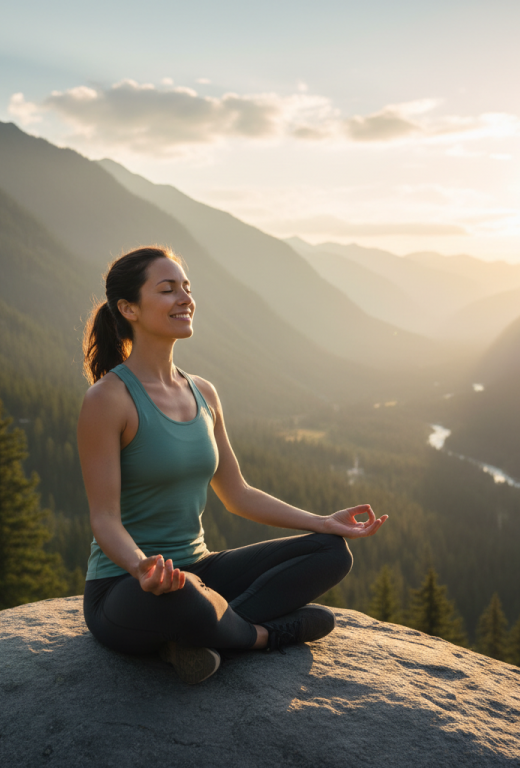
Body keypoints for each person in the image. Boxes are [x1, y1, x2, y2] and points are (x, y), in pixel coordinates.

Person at [78, 246, 388, 684]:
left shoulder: (203, 391)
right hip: (125, 588)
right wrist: (142, 568)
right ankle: (260, 636)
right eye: (168, 290)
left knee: (331, 553)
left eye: (187, 288)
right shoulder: (108, 400)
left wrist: (322, 521)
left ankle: (195, 636)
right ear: (128, 308)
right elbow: (105, 519)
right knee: (185, 596)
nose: (185, 298)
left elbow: (238, 494)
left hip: (200, 571)